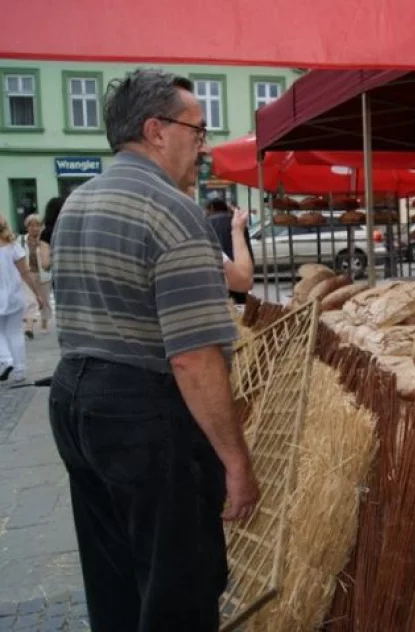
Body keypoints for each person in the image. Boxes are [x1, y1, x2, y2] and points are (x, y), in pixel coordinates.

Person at [48, 69, 259, 631]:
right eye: (198, 128)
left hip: (75, 399)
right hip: (142, 414)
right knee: (180, 588)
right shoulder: (173, 212)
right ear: (156, 129)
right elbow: (193, 356)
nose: (205, 144)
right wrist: (236, 463)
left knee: (114, 578)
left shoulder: (78, 202)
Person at [0, 214, 49, 382]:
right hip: (15, 295)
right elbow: (25, 273)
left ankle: (6, 360)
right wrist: (38, 295)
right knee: (15, 332)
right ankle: (20, 370)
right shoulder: (13, 245)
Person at [206, 198, 254, 302]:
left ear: (211, 208)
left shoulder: (205, 223)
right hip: (238, 269)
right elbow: (245, 280)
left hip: (217, 275)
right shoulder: (237, 222)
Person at [20, 213, 52, 336]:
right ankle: (29, 327)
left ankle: (44, 322)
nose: (34, 228)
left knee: (44, 300)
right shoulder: (21, 241)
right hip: (28, 275)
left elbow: (49, 259)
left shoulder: (44, 242)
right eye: (31, 226)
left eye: (37, 225)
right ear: (27, 227)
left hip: (43, 276)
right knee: (30, 300)